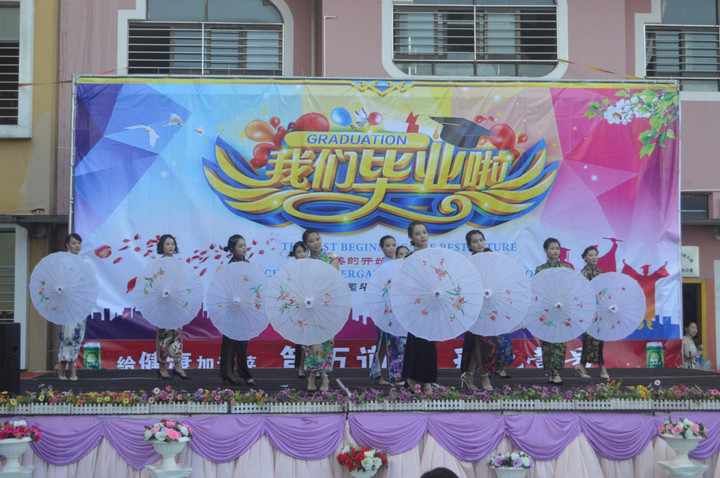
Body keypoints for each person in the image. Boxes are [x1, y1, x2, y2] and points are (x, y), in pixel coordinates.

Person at [401, 221, 436, 394]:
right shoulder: (409, 259)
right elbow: (405, 284)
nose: (422, 236)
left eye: (424, 232)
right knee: (415, 342)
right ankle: (411, 378)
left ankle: (428, 380)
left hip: (433, 303)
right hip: (415, 304)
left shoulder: (436, 256)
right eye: (417, 233)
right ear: (411, 237)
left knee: (430, 342)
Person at [459, 230, 497, 391]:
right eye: (475, 242)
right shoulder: (468, 263)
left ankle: (468, 374)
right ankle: (484, 376)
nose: (479, 244)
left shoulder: (492, 260)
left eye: (481, 240)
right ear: (469, 246)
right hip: (474, 305)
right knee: (479, 340)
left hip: (489, 304)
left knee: (480, 341)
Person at [303, 229, 340, 391]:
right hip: (309, 305)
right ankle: (312, 375)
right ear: (306, 245)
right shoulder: (305, 262)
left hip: (326, 305)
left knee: (325, 342)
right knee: (310, 342)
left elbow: (334, 280)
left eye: (317, 239)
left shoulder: (331, 257)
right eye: (311, 241)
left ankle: (324, 376)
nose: (316, 243)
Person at [218, 234, 255, 386]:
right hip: (233, 306)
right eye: (240, 246)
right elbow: (227, 288)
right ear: (232, 249)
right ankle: (234, 373)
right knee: (231, 342)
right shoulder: (230, 267)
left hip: (244, 307)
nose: (244, 248)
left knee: (242, 342)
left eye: (245, 245)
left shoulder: (247, 263)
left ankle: (236, 373)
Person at [370, 235, 405, 385]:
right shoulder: (383, 267)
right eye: (388, 245)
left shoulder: (398, 265)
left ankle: (376, 373)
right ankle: (395, 377)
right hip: (386, 310)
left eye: (393, 245)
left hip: (395, 309)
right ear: (382, 248)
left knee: (385, 343)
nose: (391, 248)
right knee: (392, 343)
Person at [535, 237, 571, 385]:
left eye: (557, 248)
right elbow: (536, 289)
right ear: (545, 250)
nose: (555, 251)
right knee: (547, 341)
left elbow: (571, 288)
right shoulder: (540, 270)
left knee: (560, 340)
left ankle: (556, 371)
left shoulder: (566, 269)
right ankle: (551, 371)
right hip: (546, 308)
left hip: (562, 307)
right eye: (552, 248)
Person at [155, 234, 190, 380]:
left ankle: (178, 365)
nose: (170, 246)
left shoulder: (179, 263)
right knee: (164, 334)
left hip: (175, 302)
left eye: (173, 244)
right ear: (162, 246)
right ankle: (162, 366)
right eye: (167, 244)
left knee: (177, 334)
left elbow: (183, 282)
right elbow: (154, 284)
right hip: (163, 302)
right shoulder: (157, 264)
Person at [56, 233, 86, 381]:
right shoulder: (63, 262)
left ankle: (71, 365)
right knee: (67, 334)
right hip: (68, 302)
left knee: (77, 334)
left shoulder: (84, 262)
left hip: (80, 303)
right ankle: (63, 365)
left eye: (79, 243)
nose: (77, 246)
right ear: (67, 245)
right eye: (74, 243)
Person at [575, 246, 609, 379]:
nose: (594, 257)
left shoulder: (601, 272)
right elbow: (581, 292)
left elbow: (604, 290)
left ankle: (583, 366)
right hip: (588, 311)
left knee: (600, 339)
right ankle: (600, 367)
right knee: (588, 340)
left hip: (600, 310)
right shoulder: (583, 274)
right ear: (585, 258)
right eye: (590, 255)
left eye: (595, 255)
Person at [288, 240, 308, 377]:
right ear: (294, 255)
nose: (302, 254)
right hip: (299, 306)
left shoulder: (314, 266)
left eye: (304, 251)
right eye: (299, 252)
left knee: (313, 337)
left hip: (312, 305)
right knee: (301, 337)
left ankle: (313, 367)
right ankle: (300, 367)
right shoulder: (292, 269)